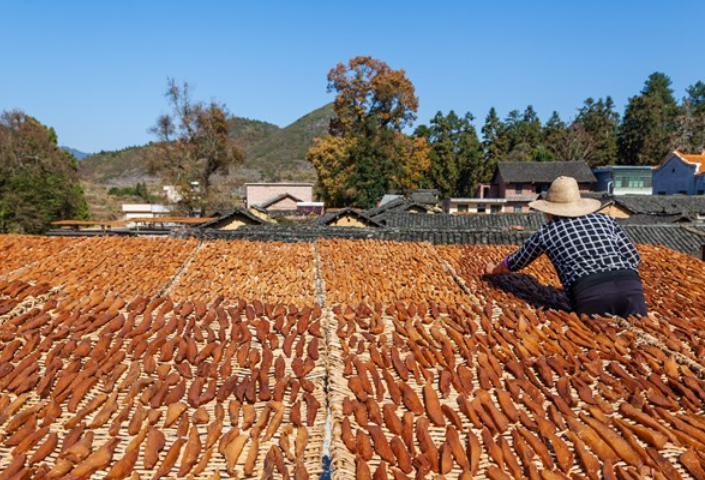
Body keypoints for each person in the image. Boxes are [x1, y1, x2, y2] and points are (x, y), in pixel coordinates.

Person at [485, 176, 647, 318]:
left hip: (591, 295)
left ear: (550, 211)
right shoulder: (605, 220)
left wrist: (493, 270)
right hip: (632, 289)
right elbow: (633, 257)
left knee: (596, 340)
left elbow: (516, 261)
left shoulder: (547, 232)